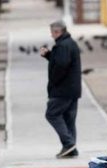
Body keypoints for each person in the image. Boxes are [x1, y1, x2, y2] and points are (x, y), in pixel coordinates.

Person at [40, 20, 81, 158]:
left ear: (58, 32)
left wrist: (53, 82)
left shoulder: (62, 46)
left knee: (52, 114)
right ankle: (71, 149)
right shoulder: (69, 44)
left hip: (63, 90)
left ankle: (69, 143)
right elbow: (61, 61)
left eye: (52, 32)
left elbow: (61, 65)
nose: (51, 35)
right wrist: (49, 55)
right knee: (69, 118)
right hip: (72, 89)